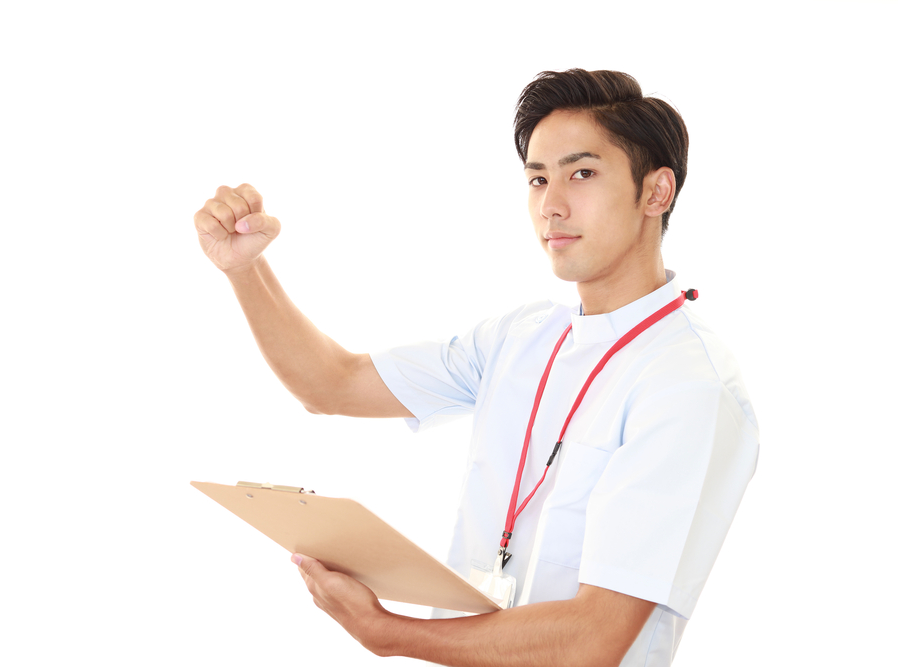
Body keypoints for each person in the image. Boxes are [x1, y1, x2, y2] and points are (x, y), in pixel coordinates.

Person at [192, 68, 759, 667]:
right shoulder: (521, 337)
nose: (551, 205)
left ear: (656, 192)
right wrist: (244, 270)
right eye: (538, 179)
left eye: (582, 173)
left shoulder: (688, 384)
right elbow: (331, 384)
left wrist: (389, 633)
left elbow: (595, 638)